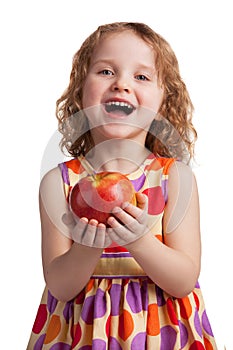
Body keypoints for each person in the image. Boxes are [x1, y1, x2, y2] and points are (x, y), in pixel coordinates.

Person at [27, 22, 217, 349]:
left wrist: (140, 240)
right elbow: (59, 285)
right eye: (105, 71)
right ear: (79, 89)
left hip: (161, 334)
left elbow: (184, 280)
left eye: (141, 77)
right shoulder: (59, 183)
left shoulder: (175, 178)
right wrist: (89, 245)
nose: (121, 85)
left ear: (163, 100)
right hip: (81, 334)